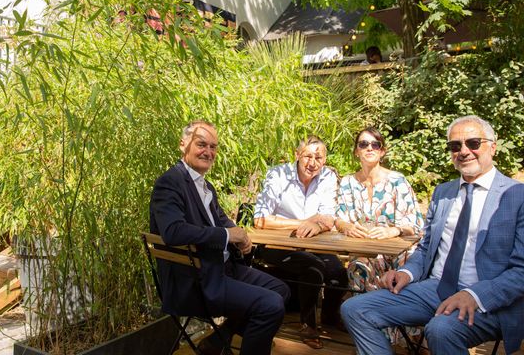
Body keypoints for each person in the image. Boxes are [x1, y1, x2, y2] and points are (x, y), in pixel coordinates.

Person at [341, 115, 524, 355]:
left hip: (487, 298)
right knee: (354, 309)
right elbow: (426, 248)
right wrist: (406, 272)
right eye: (455, 146)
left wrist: (474, 294)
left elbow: (521, 271)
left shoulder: (516, 195)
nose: (464, 151)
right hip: (434, 289)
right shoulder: (444, 192)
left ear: (493, 146)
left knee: (441, 329)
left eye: (473, 143)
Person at [150, 120, 290, 355]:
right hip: (195, 280)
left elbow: (221, 220)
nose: (208, 152)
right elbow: (173, 231)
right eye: (201, 144)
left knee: (281, 290)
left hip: (220, 268)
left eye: (213, 147)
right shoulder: (170, 182)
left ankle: (218, 341)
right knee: (270, 305)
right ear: (183, 144)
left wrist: (240, 234)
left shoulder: (206, 187)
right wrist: (226, 235)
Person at [254, 136, 349, 350]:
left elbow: (328, 216)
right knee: (312, 269)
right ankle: (308, 325)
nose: (312, 162)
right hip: (276, 244)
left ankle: (329, 315)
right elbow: (260, 219)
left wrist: (319, 224)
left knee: (338, 273)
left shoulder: (327, 177)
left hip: (315, 242)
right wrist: (304, 223)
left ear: (324, 160)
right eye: (307, 156)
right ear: (297, 155)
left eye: (318, 157)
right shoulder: (277, 175)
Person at [335, 127, 423, 291]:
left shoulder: (397, 181)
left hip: (397, 250)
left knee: (408, 264)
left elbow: (416, 225)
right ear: (356, 151)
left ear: (382, 152)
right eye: (363, 144)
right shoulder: (348, 182)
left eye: (375, 145)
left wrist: (394, 231)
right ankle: (362, 313)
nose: (369, 148)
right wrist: (347, 226)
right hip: (365, 250)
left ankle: (402, 313)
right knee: (358, 266)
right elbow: (339, 219)